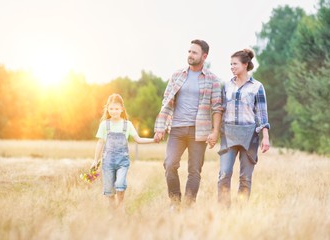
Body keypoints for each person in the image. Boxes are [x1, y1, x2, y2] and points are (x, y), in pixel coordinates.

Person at [154, 39, 223, 209]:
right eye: (189, 51)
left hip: (199, 132)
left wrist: (215, 132)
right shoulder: (177, 75)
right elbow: (166, 101)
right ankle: (175, 203)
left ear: (204, 56)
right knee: (169, 165)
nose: (190, 55)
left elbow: (217, 108)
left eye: (194, 52)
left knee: (194, 171)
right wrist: (160, 128)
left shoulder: (212, 79)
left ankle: (187, 207)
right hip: (176, 129)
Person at [218, 49, 270, 207]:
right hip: (229, 134)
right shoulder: (227, 86)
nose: (232, 67)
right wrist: (214, 131)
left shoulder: (257, 87)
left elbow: (262, 114)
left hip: (250, 136)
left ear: (245, 64)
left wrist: (265, 137)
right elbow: (220, 110)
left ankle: (241, 211)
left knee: (245, 178)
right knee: (224, 174)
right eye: (230, 64)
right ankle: (223, 211)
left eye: (235, 64)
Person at [91, 93, 155, 212]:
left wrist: (153, 140)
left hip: (122, 161)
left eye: (116, 108)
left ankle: (121, 206)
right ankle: (113, 212)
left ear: (122, 109)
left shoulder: (127, 124)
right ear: (108, 109)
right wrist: (95, 160)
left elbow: (138, 139)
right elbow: (100, 143)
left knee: (120, 183)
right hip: (107, 162)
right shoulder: (105, 125)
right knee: (109, 189)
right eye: (111, 108)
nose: (114, 111)